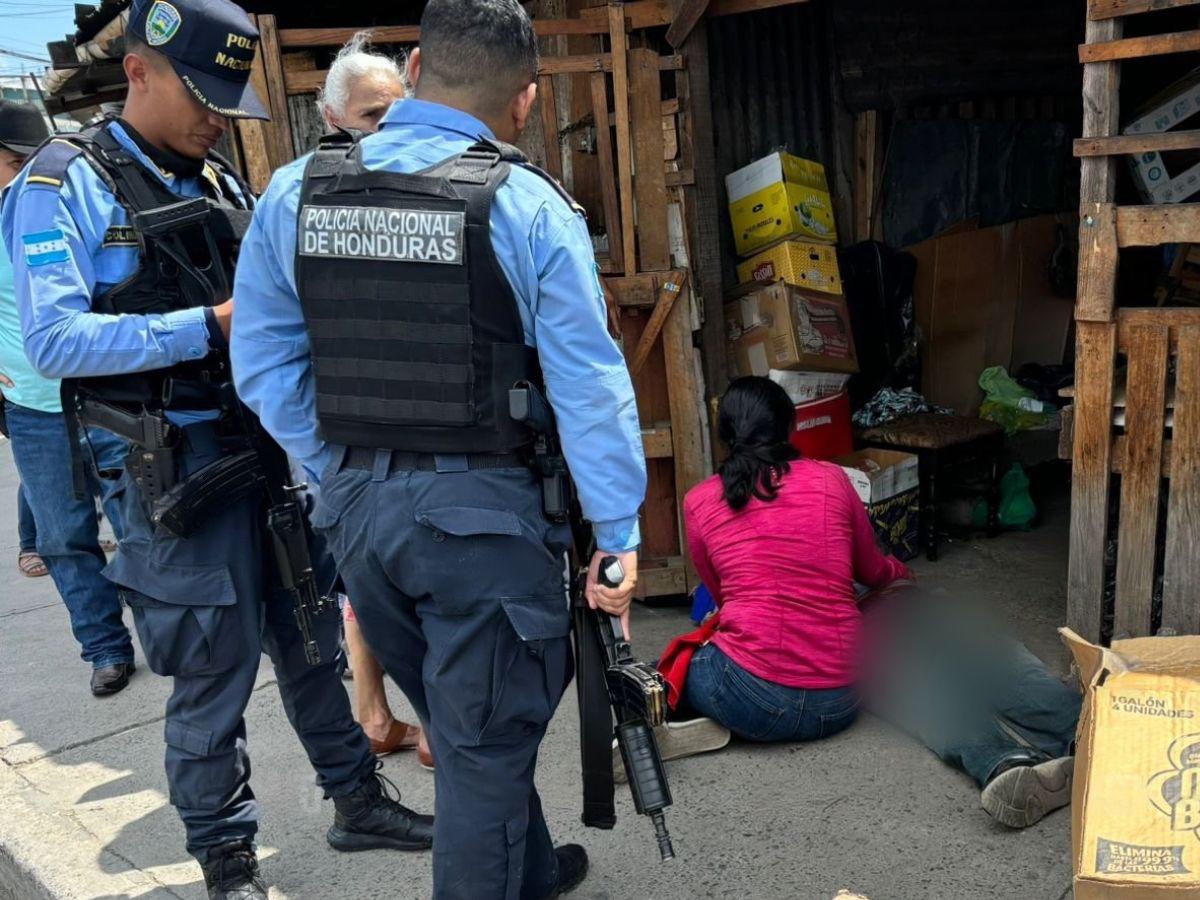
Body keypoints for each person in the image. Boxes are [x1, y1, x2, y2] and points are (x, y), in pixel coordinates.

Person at [1, 3, 433, 898]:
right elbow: (54, 342)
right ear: (138, 71)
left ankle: (358, 803)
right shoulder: (61, 183)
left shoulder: (226, 180)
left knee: (311, 641)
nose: (215, 118)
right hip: (173, 478)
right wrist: (208, 326)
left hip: (262, 455)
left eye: (227, 101)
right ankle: (227, 862)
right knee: (211, 675)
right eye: (202, 95)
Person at [231, 0, 647, 895]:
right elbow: (589, 386)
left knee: (469, 730)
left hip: (359, 527)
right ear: (527, 101)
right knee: (486, 744)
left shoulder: (296, 191)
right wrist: (617, 532)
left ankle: (528, 872)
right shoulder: (527, 205)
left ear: (414, 68)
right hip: (484, 531)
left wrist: (346, 457)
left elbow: (262, 362)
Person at [671, 376, 911, 746]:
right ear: (790, 426)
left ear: (725, 433)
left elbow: (723, 598)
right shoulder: (833, 479)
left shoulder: (699, 501)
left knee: (678, 667)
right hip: (842, 698)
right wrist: (900, 571)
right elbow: (872, 571)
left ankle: (705, 721)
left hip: (753, 701)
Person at [316, 31, 429, 765]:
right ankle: (379, 712)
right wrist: (325, 452)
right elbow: (270, 353)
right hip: (350, 441)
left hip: (432, 435)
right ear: (331, 120)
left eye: (393, 110)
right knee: (366, 582)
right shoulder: (302, 201)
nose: (379, 127)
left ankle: (403, 717)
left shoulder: (438, 180)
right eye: (365, 115)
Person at [0, 99, 136, 694]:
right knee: (61, 536)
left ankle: (167, 630)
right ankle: (105, 646)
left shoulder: (74, 201)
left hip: (110, 398)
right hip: (33, 407)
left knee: (143, 523)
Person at [861, 581, 1080, 829]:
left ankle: (1010, 761)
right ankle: (1074, 740)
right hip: (897, 608)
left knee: (932, 695)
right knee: (985, 669)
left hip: (882, 619)